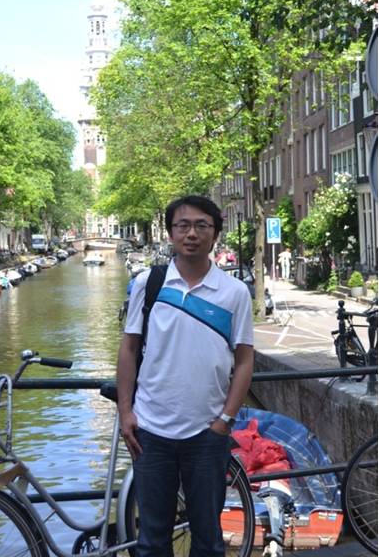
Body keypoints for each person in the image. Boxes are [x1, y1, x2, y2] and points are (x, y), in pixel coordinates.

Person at [117, 195, 254, 557]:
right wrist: (126, 412)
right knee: (152, 540)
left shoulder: (235, 293)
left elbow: (244, 361)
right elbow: (129, 349)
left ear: (215, 234)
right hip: (150, 431)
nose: (192, 234)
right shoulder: (148, 283)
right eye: (183, 225)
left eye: (201, 226)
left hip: (206, 433)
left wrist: (225, 421)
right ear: (171, 233)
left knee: (207, 541)